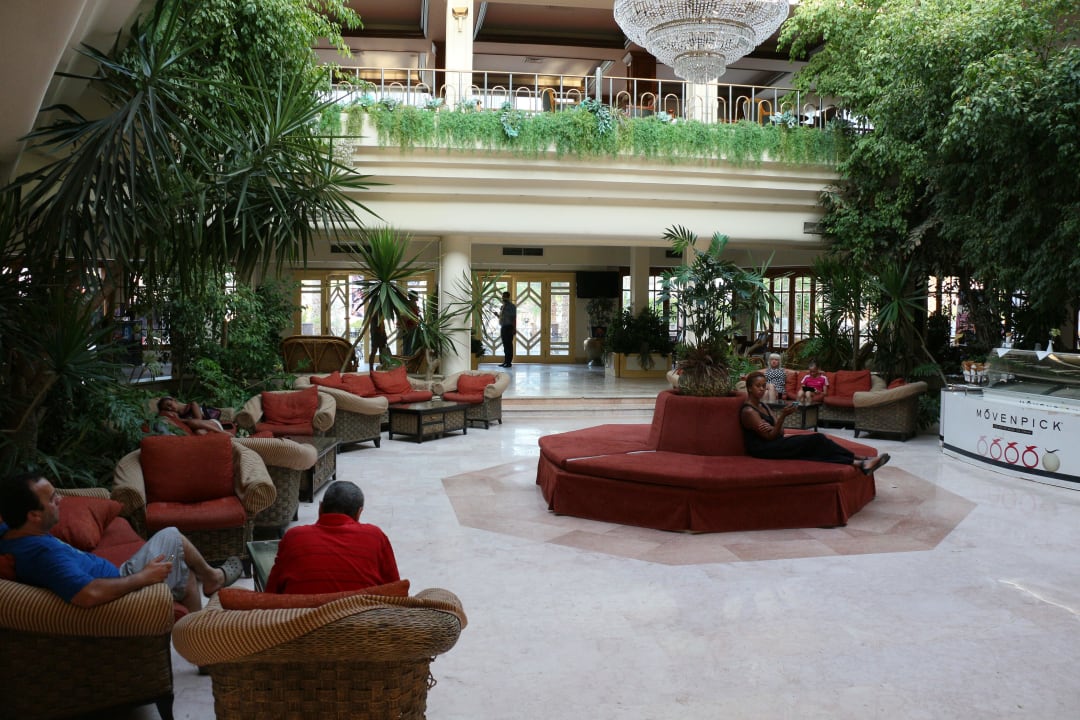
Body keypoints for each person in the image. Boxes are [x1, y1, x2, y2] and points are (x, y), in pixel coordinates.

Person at [0, 471, 240, 612]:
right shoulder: (42, 554)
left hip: (117, 576)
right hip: (123, 594)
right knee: (172, 535)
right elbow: (88, 594)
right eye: (53, 499)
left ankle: (201, 651)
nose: (61, 499)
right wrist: (144, 577)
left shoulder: (11, 533)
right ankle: (212, 578)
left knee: (181, 566)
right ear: (33, 515)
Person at [740, 371, 890, 475]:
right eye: (758, 386)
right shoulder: (749, 412)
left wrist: (776, 426)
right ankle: (860, 462)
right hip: (764, 450)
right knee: (816, 440)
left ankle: (860, 460)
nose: (762, 389)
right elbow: (771, 436)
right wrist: (781, 417)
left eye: (764, 385)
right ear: (749, 388)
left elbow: (780, 432)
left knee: (818, 440)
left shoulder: (763, 405)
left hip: (774, 443)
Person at [265, 480, 399, 594]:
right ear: (359, 513)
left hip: (301, 622)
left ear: (320, 508)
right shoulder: (375, 536)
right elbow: (396, 592)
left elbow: (271, 593)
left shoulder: (294, 537)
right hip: (360, 622)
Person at [157, 396, 228, 435]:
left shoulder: (192, 405)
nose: (170, 408)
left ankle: (224, 433)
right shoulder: (177, 416)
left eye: (169, 404)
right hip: (203, 429)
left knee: (192, 422)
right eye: (167, 409)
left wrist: (180, 420)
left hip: (212, 424)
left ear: (174, 400)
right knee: (199, 432)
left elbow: (198, 421)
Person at [498, 291, 517, 368]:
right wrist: (497, 315)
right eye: (503, 296)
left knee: (509, 345)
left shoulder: (512, 306)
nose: (503, 298)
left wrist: (514, 328)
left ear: (508, 297)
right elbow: (502, 318)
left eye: (505, 296)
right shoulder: (503, 307)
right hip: (503, 327)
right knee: (505, 345)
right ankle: (505, 362)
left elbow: (514, 318)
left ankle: (509, 362)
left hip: (509, 327)